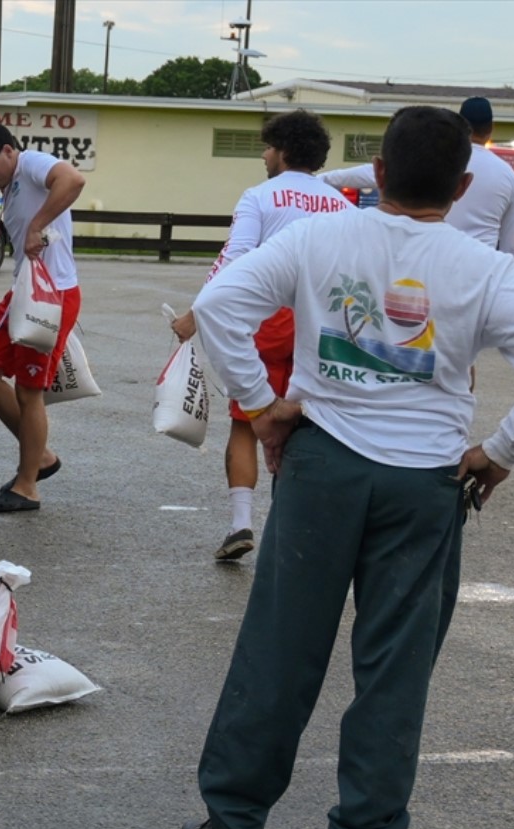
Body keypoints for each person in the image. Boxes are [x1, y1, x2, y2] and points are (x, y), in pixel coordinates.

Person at [175, 106, 514, 829]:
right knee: (394, 669)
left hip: (323, 463)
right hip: (425, 482)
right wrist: (500, 452)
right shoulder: (484, 269)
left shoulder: (319, 238)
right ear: (464, 186)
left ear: (379, 174)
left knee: (278, 650)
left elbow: (222, 306)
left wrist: (263, 406)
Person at [169, 110, 351, 562]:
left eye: (268, 147)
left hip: (265, 319)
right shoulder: (343, 205)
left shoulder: (261, 196)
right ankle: (295, 528)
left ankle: (241, 523)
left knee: (248, 421)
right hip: (321, 322)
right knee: (312, 421)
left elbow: (236, 259)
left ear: (284, 151)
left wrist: (198, 312)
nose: (264, 155)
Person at [0, 123, 86, 514]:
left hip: (51, 294)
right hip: (26, 291)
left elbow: (73, 179)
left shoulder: (30, 162)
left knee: (29, 390)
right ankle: (41, 457)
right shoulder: (14, 181)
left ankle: (27, 485)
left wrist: (36, 226)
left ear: (8, 150)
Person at [321, 95, 514, 259]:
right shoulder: (507, 175)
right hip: (479, 271)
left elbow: (355, 176)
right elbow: (512, 245)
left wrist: (317, 179)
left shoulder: (438, 158)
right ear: (491, 129)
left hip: (424, 260)